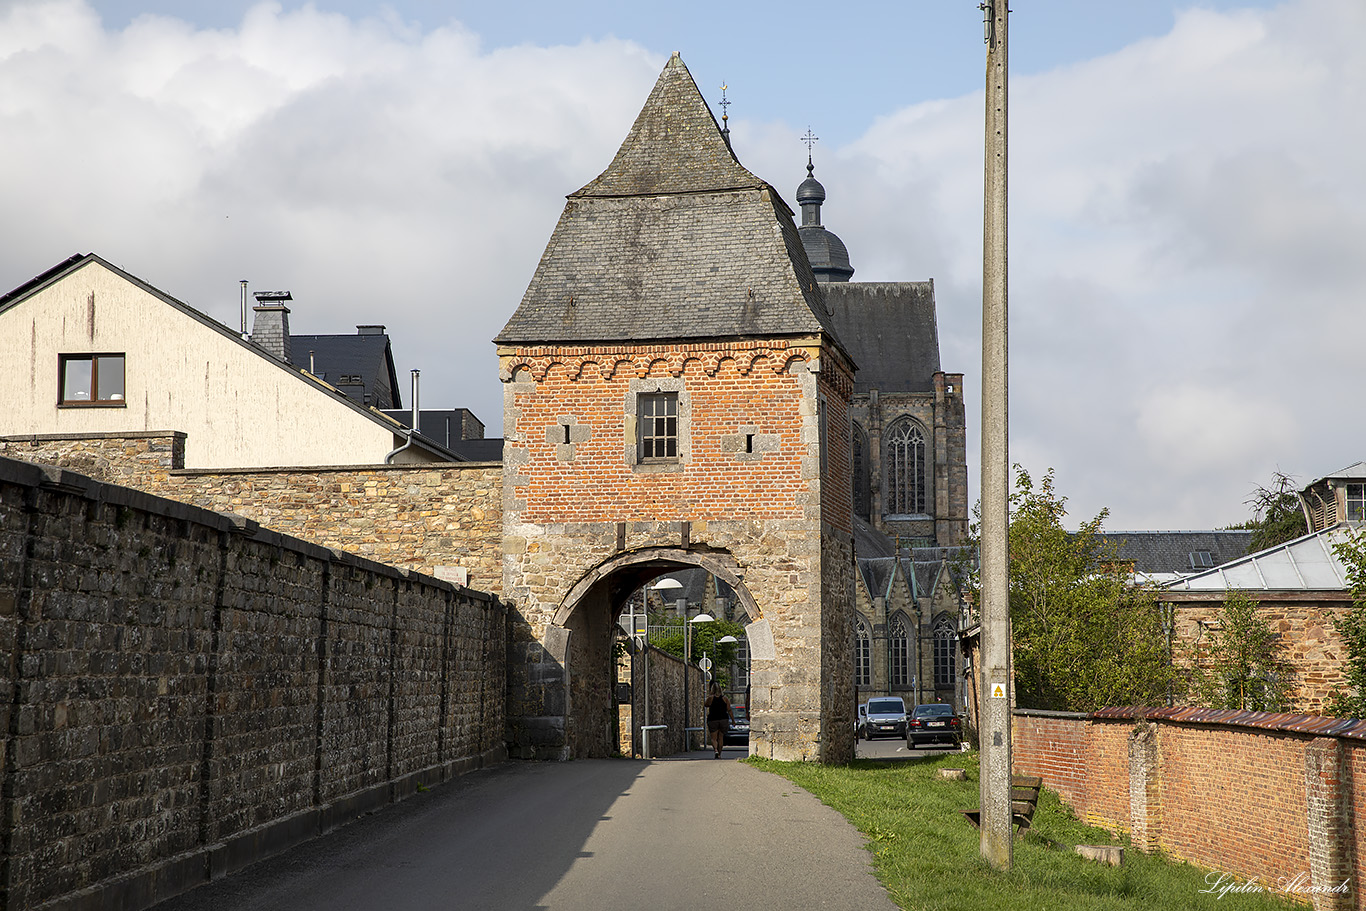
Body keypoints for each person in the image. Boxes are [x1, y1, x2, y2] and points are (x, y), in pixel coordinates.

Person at [704, 683, 733, 758]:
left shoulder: (711, 698)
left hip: (713, 719)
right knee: (721, 737)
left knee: (713, 738)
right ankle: (719, 754)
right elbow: (729, 710)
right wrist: (733, 720)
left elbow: (706, 704)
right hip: (723, 719)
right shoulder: (725, 698)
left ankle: (716, 750)